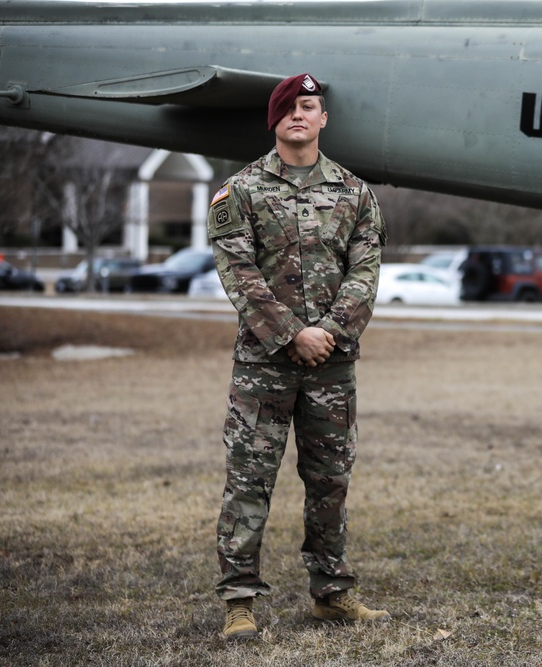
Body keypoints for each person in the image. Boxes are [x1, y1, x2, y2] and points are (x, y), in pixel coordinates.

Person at [207, 73, 389, 642]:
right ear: (274, 119)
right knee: (249, 481)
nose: (298, 115)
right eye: (288, 107)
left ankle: (331, 593)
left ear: (323, 119)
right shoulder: (239, 191)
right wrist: (292, 335)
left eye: (308, 106)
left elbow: (366, 272)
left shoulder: (355, 193)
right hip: (264, 364)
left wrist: (329, 332)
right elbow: (237, 273)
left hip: (331, 365)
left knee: (330, 479)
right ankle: (239, 602)